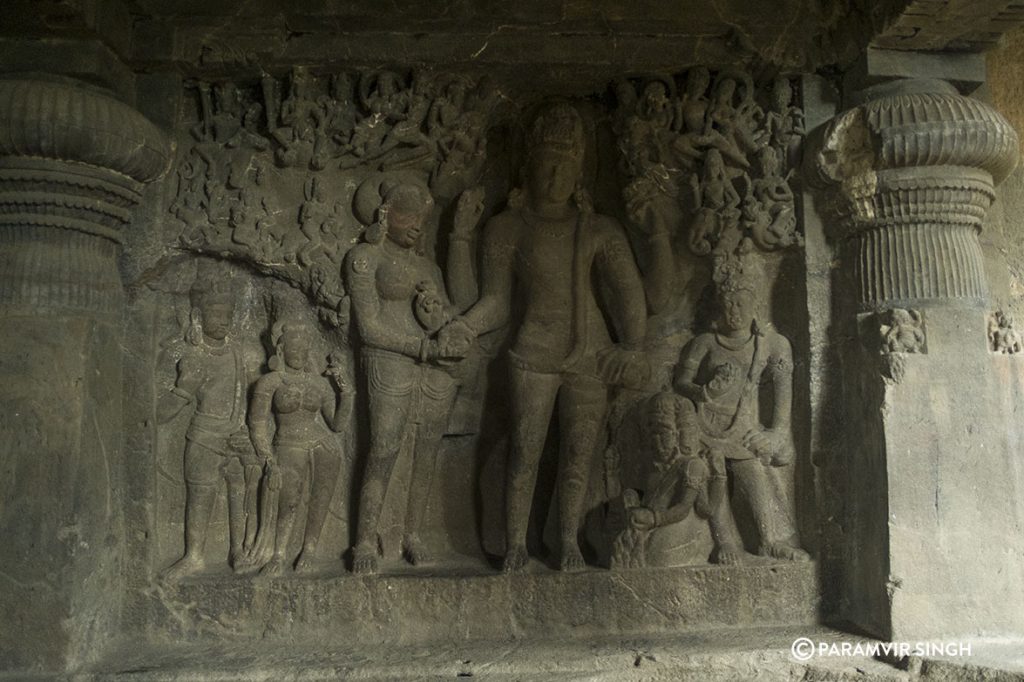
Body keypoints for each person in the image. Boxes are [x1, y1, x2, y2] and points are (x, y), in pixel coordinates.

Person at [439, 102, 650, 572]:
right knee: (525, 450)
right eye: (546, 163)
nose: (554, 174)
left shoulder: (598, 229)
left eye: (566, 165)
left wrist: (632, 347)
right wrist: (465, 325)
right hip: (532, 352)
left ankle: (569, 541)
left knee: (579, 455)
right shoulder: (507, 228)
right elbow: (495, 301)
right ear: (527, 167)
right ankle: (516, 543)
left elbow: (628, 292)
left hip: (590, 355)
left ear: (579, 173)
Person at [344, 180, 468, 574]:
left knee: (427, 448)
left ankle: (412, 532)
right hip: (389, 358)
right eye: (408, 213)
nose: (417, 224)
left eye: (422, 218)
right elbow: (368, 327)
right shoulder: (365, 258)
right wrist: (421, 348)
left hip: (432, 366)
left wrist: (439, 323)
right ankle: (364, 539)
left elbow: (444, 319)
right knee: (384, 447)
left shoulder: (427, 266)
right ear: (384, 213)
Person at [672, 259, 808, 563]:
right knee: (712, 475)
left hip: (744, 429)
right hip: (705, 427)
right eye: (728, 304)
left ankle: (769, 540)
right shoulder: (704, 343)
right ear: (719, 308)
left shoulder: (771, 345)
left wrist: (776, 432)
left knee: (755, 478)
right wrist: (705, 391)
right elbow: (681, 382)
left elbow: (784, 394)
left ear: (755, 306)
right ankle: (725, 543)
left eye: (742, 304)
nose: (735, 311)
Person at [158, 271, 260, 579]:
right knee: (200, 498)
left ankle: (238, 552)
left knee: (239, 494)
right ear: (198, 316)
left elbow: (252, 401)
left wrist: (250, 437)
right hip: (203, 438)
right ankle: (195, 555)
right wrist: (183, 387)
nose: (223, 320)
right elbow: (162, 415)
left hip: (236, 436)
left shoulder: (240, 353)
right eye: (216, 314)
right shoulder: (192, 356)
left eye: (228, 315)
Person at [244, 321, 353, 574]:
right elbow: (257, 424)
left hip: (323, 446)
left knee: (320, 499)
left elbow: (337, 424)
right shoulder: (270, 382)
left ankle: (310, 550)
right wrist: (268, 460)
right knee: (288, 501)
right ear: (281, 353)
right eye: (294, 351)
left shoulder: (319, 383)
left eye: (304, 351)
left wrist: (347, 391)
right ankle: (279, 553)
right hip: (287, 444)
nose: (300, 356)